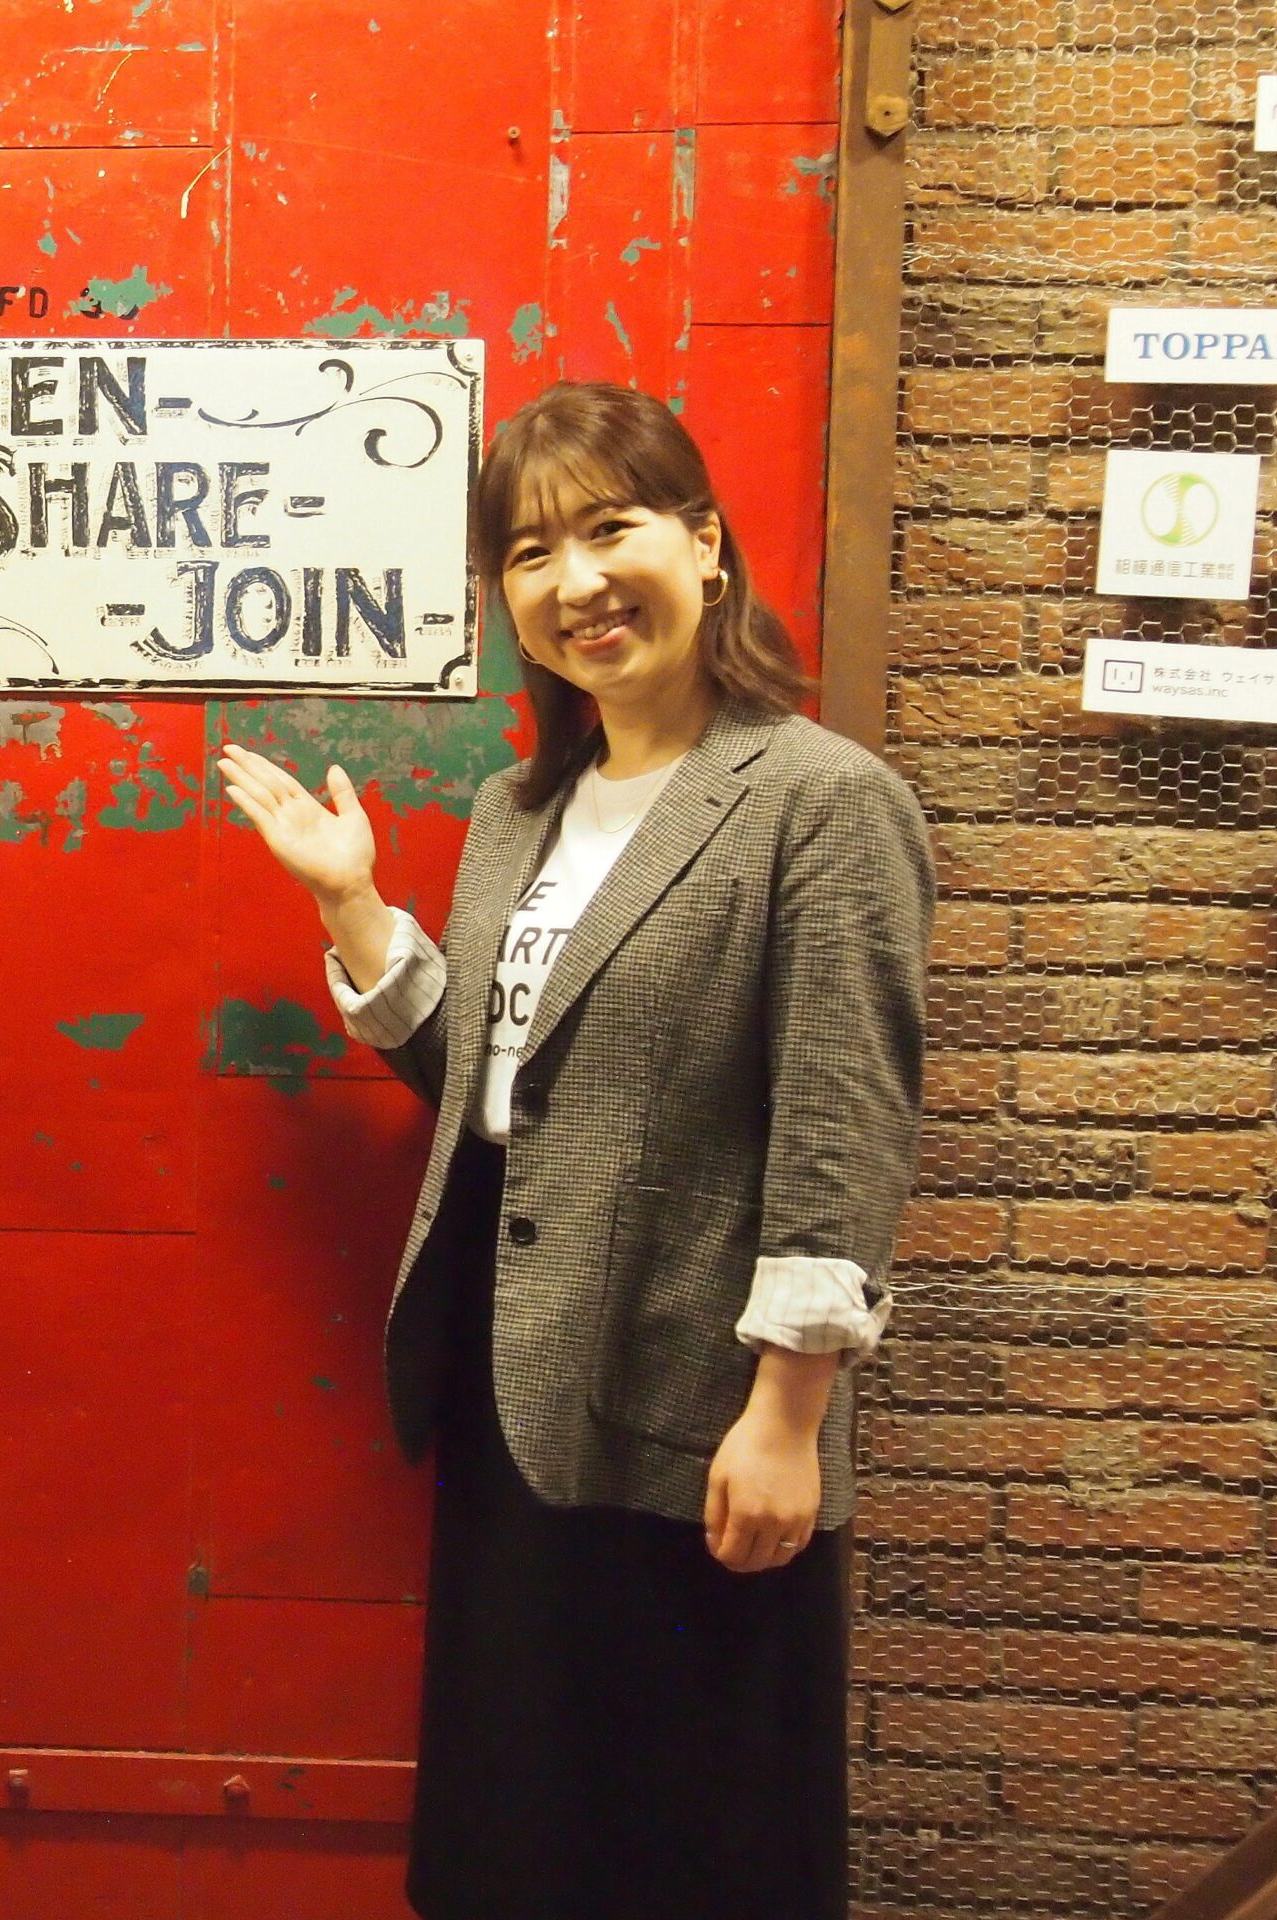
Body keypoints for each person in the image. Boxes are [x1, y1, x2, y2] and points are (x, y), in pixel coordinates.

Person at [220, 381, 931, 1920]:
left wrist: (789, 1411)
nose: (577, 582)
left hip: (695, 1412)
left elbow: (845, 1123)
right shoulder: (517, 812)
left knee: (695, 1849)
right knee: (522, 1842)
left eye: (612, 531)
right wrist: (352, 905)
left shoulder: (822, 803)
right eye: (532, 555)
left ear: (705, 545)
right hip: (513, 1391)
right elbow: (493, 1088)